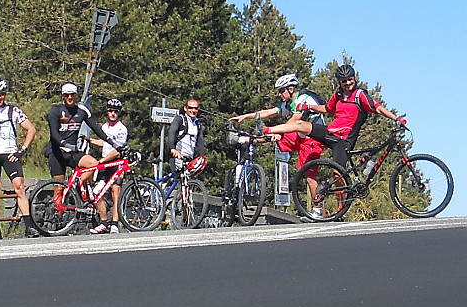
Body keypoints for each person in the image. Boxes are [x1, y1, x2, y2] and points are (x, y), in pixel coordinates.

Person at [230, 74, 332, 216]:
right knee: (275, 137)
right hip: (300, 136)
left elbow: (295, 120)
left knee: (309, 175)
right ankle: (246, 140)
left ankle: (317, 210)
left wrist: (279, 131)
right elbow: (269, 112)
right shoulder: (289, 103)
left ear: (290, 89)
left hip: (313, 138)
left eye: (281, 91)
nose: (279, 94)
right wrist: (245, 116)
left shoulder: (303, 98)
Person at [0, 78, 38, 240]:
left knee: (19, 187)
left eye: (1, 94)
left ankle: (29, 227)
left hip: (10, 154)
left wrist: (22, 150)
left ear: (5, 94)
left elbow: (31, 129)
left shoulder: (14, 111)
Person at [314, 64, 403, 168]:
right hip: (333, 133)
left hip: (346, 139)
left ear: (354, 78)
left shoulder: (359, 95)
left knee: (338, 172)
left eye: (350, 79)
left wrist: (396, 118)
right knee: (301, 125)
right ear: (340, 82)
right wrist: (308, 106)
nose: (348, 83)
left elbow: (378, 108)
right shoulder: (338, 96)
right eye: (344, 81)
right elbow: (327, 109)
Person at [45, 82, 115, 183]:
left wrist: (113, 143)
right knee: (59, 188)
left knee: (93, 163)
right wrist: (65, 144)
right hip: (57, 151)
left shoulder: (82, 110)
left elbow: (96, 129)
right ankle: (62, 194)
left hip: (72, 151)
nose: (70, 97)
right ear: (63, 96)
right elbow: (54, 133)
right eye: (67, 95)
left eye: (72, 95)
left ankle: (75, 185)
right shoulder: (55, 110)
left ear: (76, 95)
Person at [88, 98, 131, 234]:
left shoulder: (121, 129)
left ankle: (114, 224)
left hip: (115, 164)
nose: (113, 113)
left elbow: (117, 150)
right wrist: (90, 140)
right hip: (104, 164)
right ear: (107, 111)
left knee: (115, 192)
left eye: (115, 111)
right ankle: (104, 222)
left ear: (119, 113)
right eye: (110, 111)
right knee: (96, 192)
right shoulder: (104, 127)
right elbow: (105, 143)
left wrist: (102, 160)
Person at [168, 98, 206, 173]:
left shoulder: (197, 124)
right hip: (178, 156)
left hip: (190, 158)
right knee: (179, 179)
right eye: (190, 108)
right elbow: (172, 132)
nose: (193, 110)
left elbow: (200, 140)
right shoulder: (180, 119)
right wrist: (172, 148)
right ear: (185, 108)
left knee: (188, 182)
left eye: (195, 108)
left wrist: (203, 156)